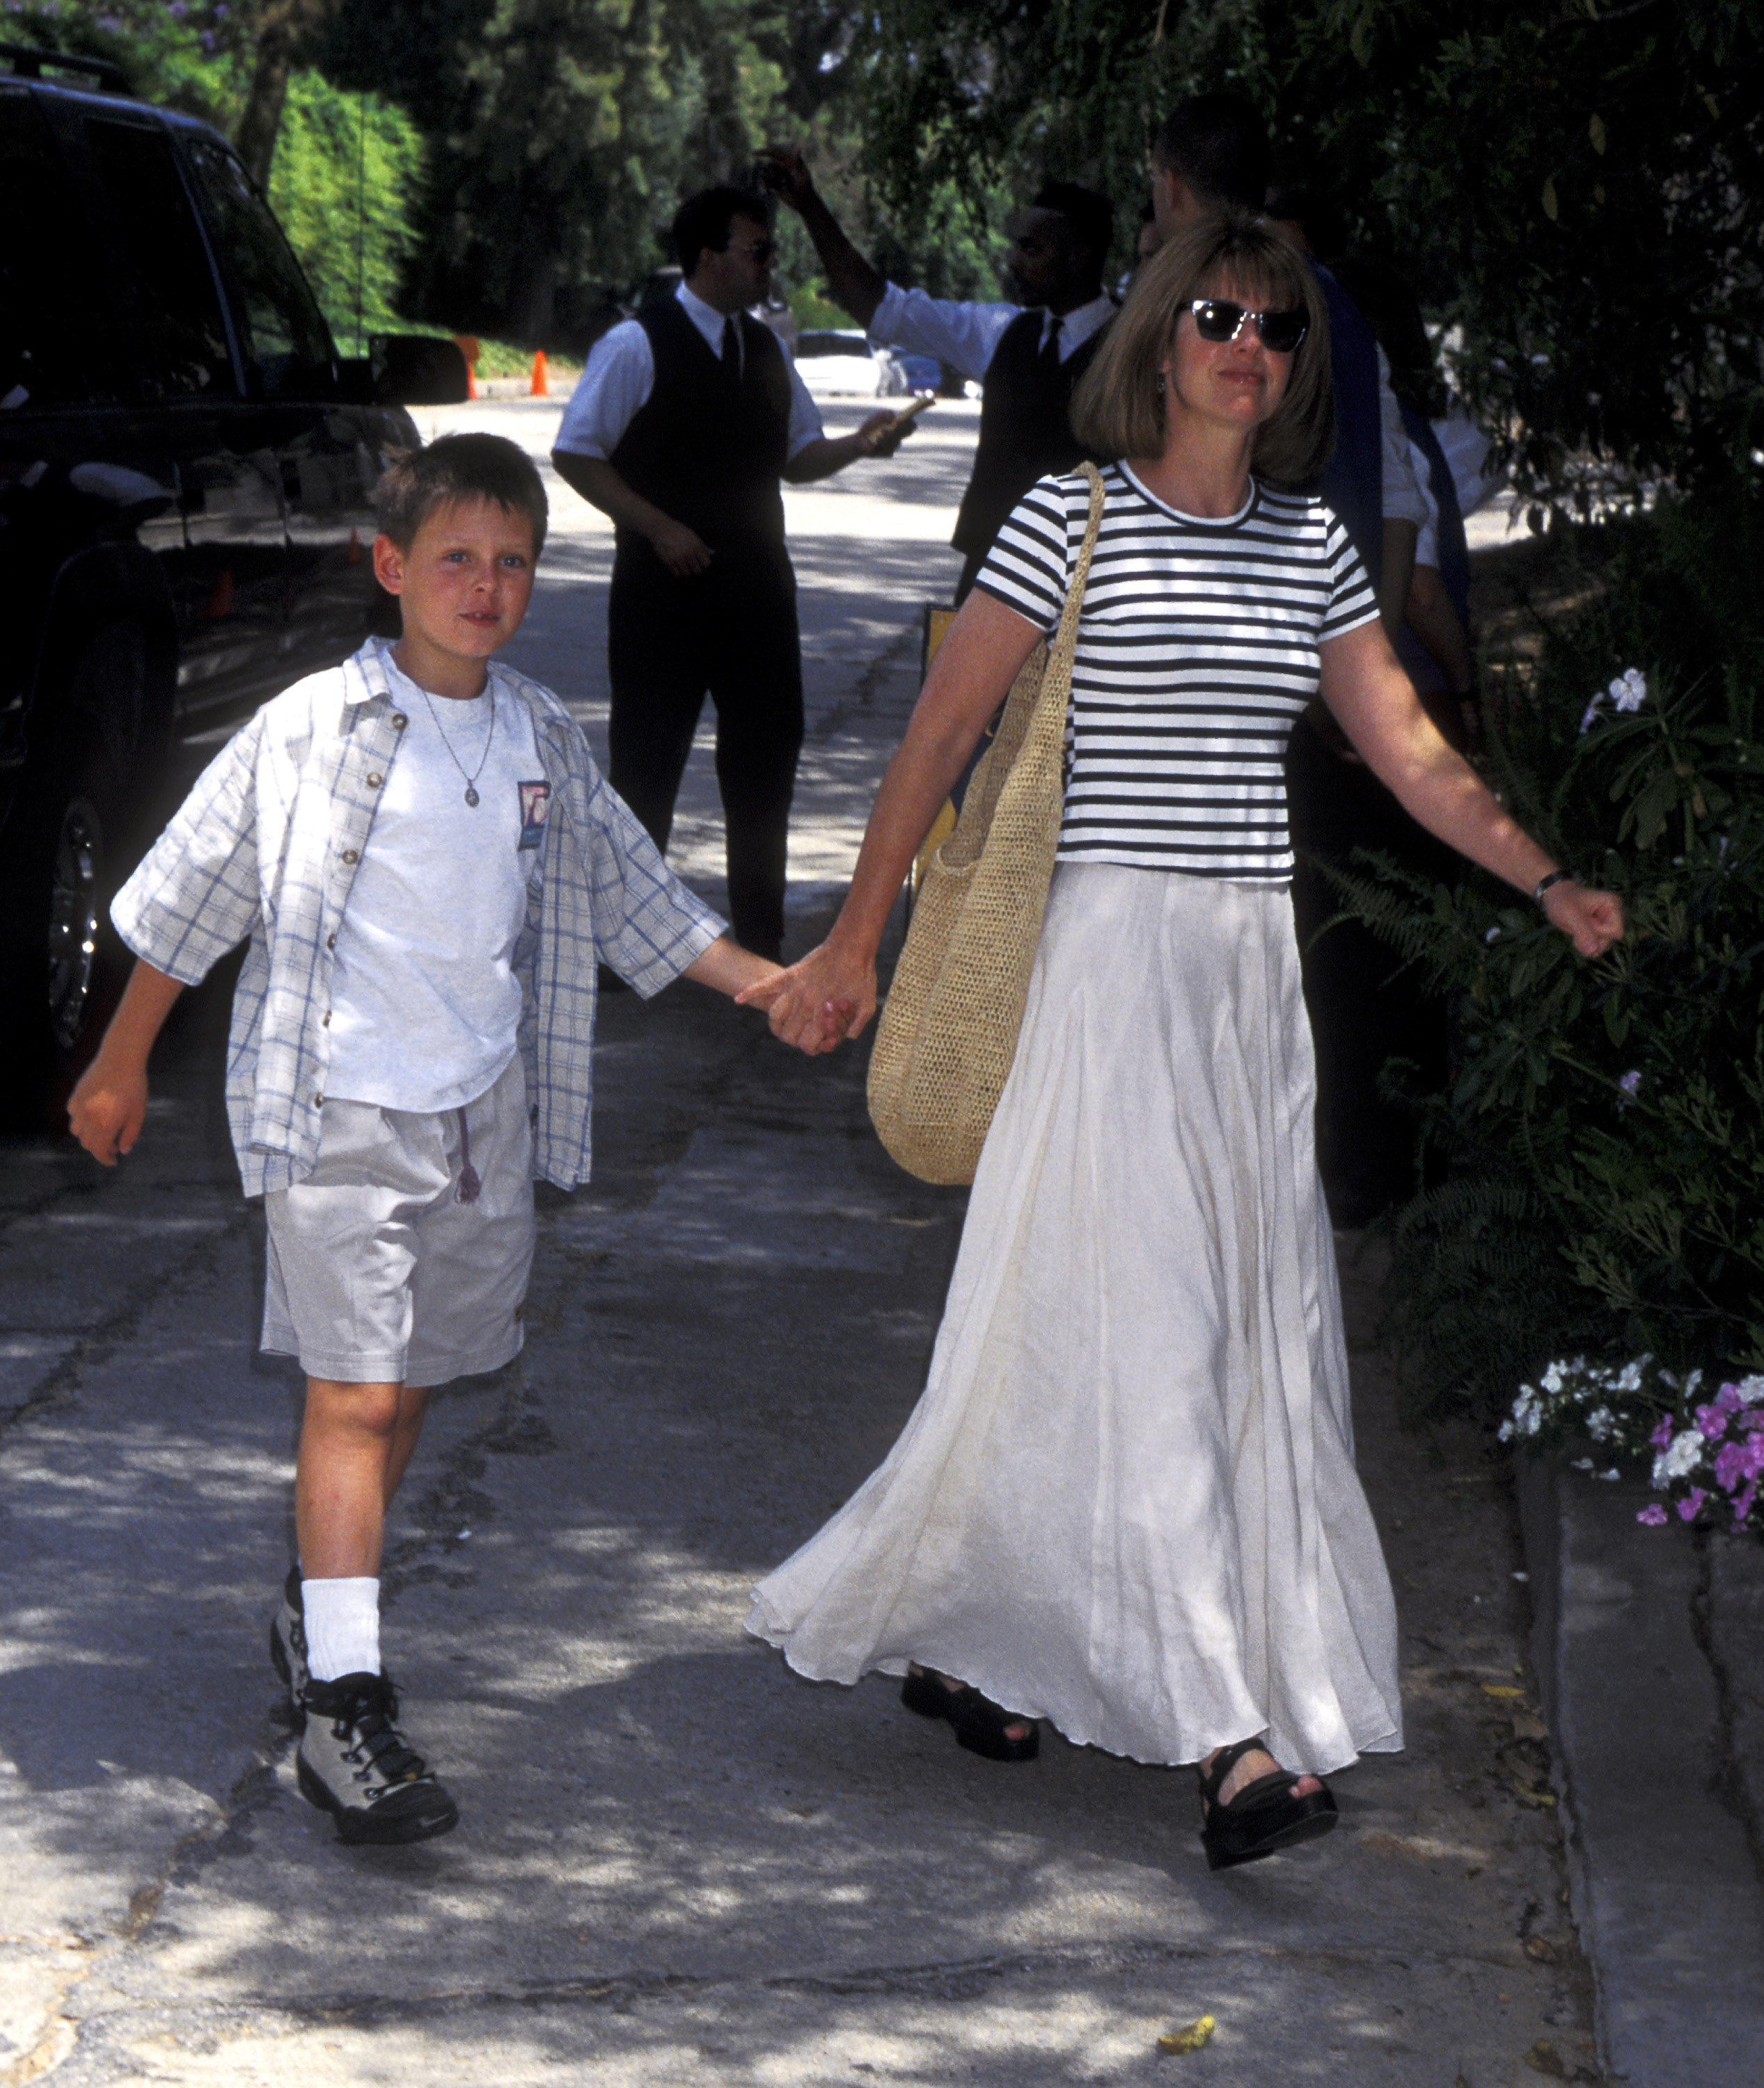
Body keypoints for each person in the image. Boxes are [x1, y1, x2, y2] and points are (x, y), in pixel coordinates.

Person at [735, 214, 1623, 1869]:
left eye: (1277, 330)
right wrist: (855, 935)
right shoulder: (1067, 520)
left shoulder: (1309, 546)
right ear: (1158, 336)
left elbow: (1410, 749)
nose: (1248, 346)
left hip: (1242, 982)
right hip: (1105, 963)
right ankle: (1231, 1736)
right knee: (1153, 1327)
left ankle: (967, 1627)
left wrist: (1547, 875)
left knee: (1197, 1330)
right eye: (1217, 314)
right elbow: (942, 729)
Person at [67, 434, 782, 1846]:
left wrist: (771, 983)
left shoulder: (537, 739)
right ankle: (346, 1707)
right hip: (333, 1107)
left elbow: (639, 897)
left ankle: (320, 1606)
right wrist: (119, 1059)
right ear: (390, 568)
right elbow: (191, 897)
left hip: (480, 1119)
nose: (486, 585)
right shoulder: (309, 730)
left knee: (411, 1388)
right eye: (455, 557)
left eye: (513, 562)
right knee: (355, 1395)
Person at [551, 186, 908, 963]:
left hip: (755, 595)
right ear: (707, 256)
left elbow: (796, 454)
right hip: (661, 598)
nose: (768, 265)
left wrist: (856, 444)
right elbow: (576, 452)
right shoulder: (635, 345)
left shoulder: (766, 349)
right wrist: (655, 526)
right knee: (646, 767)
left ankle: (760, 935)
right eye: (757, 250)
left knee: (763, 764)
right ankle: (623, 944)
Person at [759, 147, 1117, 599]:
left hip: (1092, 593)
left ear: (1079, 257)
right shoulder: (1003, 332)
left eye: (1033, 248)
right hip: (992, 580)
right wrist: (811, 207)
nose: (1013, 262)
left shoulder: (1139, 350)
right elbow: (877, 305)